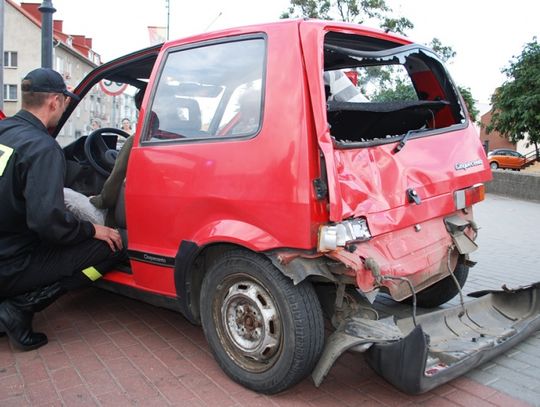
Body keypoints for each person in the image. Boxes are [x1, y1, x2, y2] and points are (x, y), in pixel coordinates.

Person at [0, 68, 125, 351]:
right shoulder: (43, 148)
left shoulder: (4, 131)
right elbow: (49, 223)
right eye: (66, 102)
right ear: (55, 102)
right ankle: (18, 308)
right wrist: (92, 229)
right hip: (11, 265)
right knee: (113, 246)